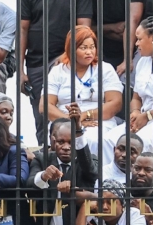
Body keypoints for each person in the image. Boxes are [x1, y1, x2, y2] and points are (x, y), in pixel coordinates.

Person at [19, 0, 94, 146]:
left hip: (65, 61)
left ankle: (72, 161)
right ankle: (45, 159)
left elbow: (84, 28)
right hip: (36, 62)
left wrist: (66, 55)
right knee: (41, 118)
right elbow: (22, 28)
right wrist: (20, 70)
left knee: (66, 110)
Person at [44, 26, 123, 159]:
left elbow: (115, 103)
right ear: (71, 50)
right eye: (83, 48)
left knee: (93, 140)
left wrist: (84, 116)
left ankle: (94, 177)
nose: (89, 52)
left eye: (92, 47)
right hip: (63, 120)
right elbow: (45, 106)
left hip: (97, 121)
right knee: (61, 139)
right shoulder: (58, 71)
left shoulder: (105, 69)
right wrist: (71, 122)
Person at [103, 14, 153, 162]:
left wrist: (148, 116)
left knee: (138, 142)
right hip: (143, 117)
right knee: (109, 140)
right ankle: (111, 182)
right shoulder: (142, 62)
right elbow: (136, 97)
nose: (136, 44)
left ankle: (133, 183)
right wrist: (135, 112)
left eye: (140, 39)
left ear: (152, 39)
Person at [28, 118, 98, 225]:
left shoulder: (88, 161)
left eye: (71, 142)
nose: (66, 147)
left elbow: (91, 172)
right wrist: (44, 176)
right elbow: (29, 184)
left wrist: (79, 132)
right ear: (54, 142)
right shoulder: (42, 159)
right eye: (61, 142)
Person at [75, 179, 148, 225]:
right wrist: (84, 207)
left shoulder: (133, 214)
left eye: (110, 203)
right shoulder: (94, 218)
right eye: (101, 202)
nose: (105, 207)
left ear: (122, 205)